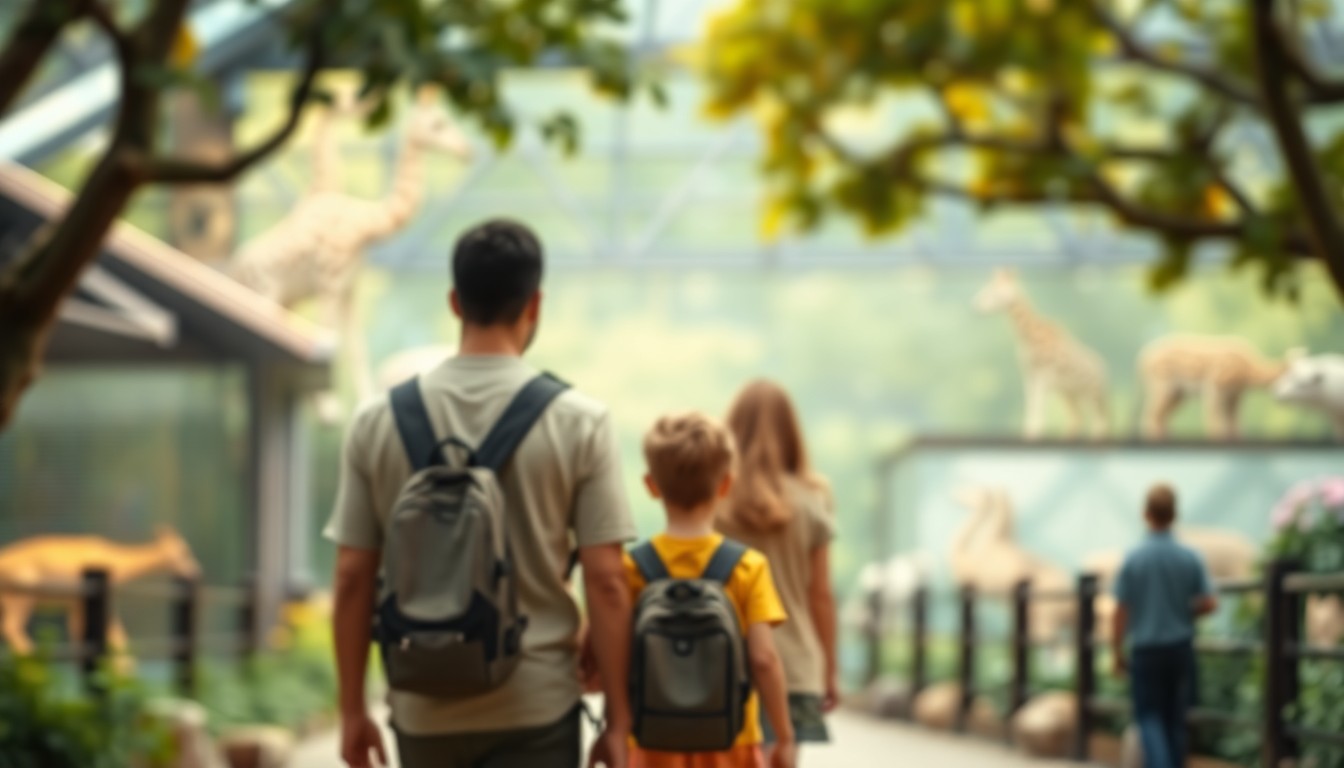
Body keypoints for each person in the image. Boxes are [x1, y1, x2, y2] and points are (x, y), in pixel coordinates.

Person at [325, 219, 637, 768]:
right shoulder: (580, 422)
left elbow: (352, 578)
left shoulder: (376, 422)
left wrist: (352, 710)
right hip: (537, 706)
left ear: (454, 301)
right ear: (534, 304)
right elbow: (608, 583)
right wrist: (618, 719)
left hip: (424, 708)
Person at [625, 412, 796, 768]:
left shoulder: (630, 568)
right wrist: (784, 733)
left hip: (649, 738)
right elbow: (764, 660)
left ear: (651, 485)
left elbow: (607, 653)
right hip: (730, 740)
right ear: (726, 485)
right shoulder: (748, 566)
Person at [717, 380, 838, 758]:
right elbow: (820, 595)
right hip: (796, 665)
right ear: (791, 431)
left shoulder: (716, 500)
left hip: (723, 663)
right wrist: (829, 671)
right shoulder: (813, 501)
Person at [1110, 484, 1218, 768]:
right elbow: (1209, 603)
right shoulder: (1189, 556)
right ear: (1174, 514)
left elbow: (1120, 610)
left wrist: (1116, 652)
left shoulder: (1134, 558)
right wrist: (1183, 612)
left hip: (1146, 649)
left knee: (1149, 717)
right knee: (1175, 719)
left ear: (1146, 514)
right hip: (1180, 648)